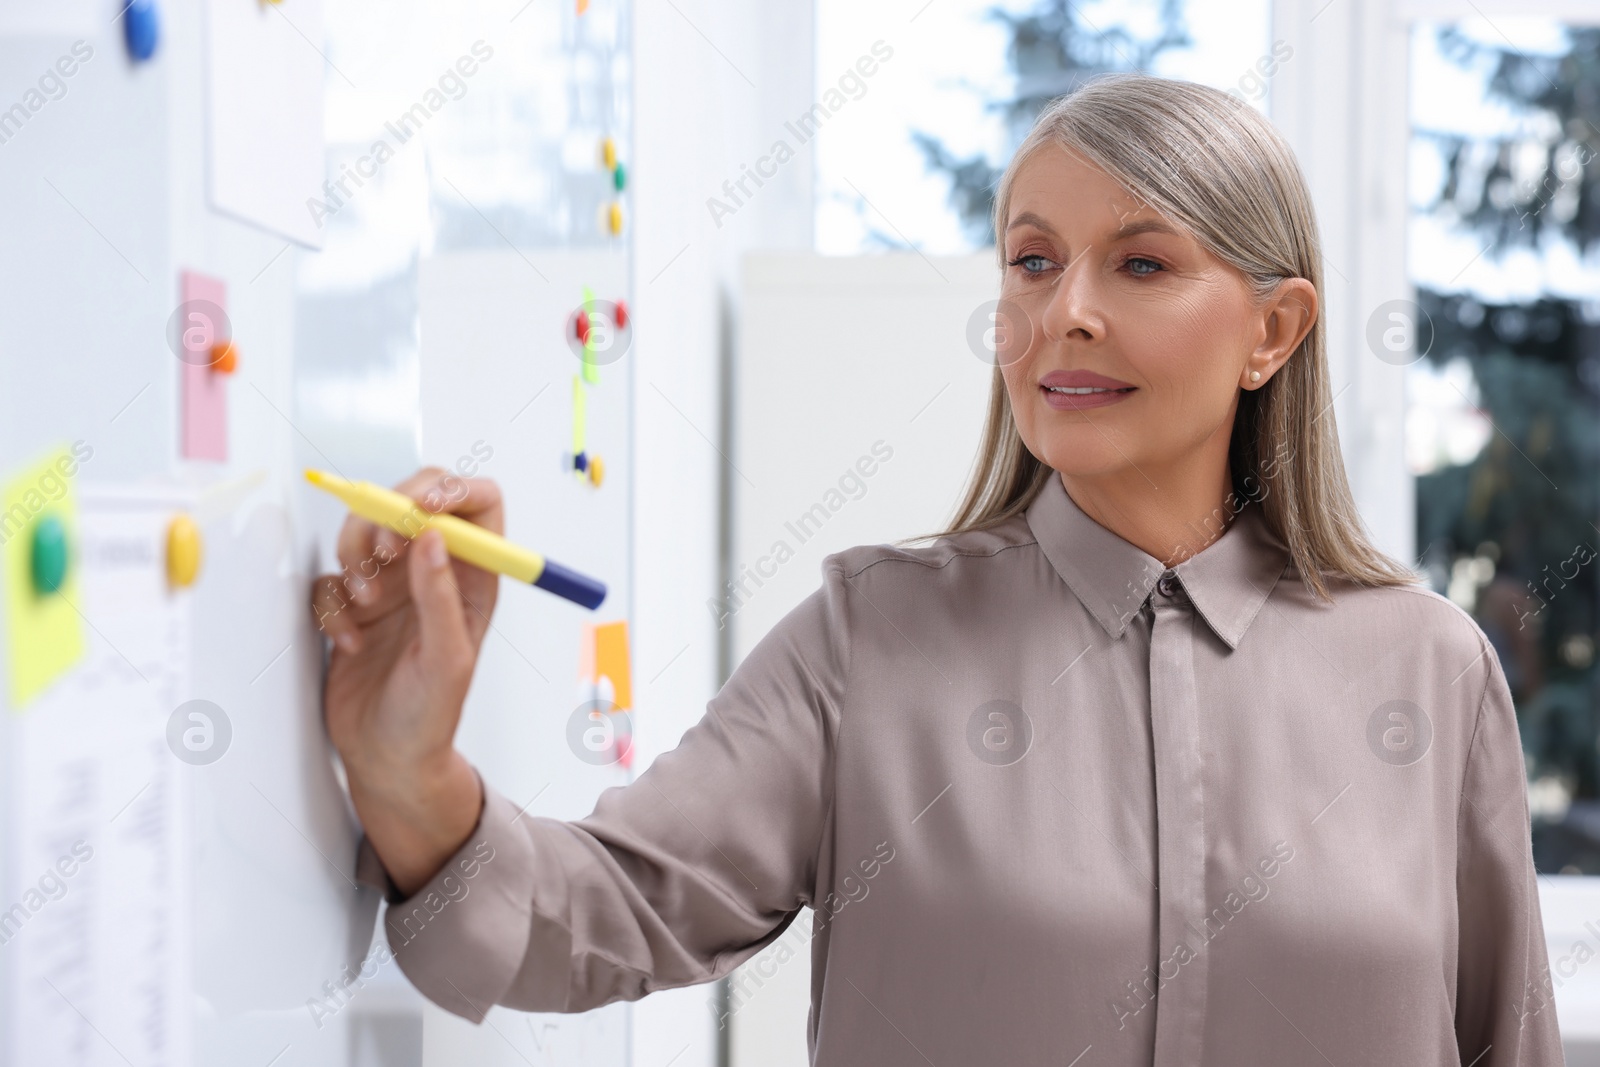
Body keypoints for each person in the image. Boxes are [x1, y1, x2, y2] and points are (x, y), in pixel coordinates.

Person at [312, 72, 1565, 1065]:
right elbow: (600, 912)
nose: (1062, 308)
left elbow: (1507, 1043)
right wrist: (405, 766)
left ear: (1272, 330)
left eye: (1139, 262)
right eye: (1031, 259)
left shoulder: (1427, 671)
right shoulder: (868, 638)